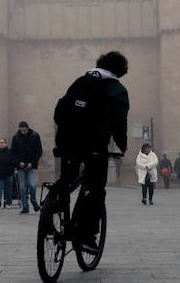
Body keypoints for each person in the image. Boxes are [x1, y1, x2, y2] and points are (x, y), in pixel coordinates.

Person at [54, 51, 130, 253]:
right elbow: (119, 121)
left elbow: (61, 108)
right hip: (93, 146)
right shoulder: (116, 89)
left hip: (66, 141)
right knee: (95, 186)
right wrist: (122, 143)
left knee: (66, 181)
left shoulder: (81, 81)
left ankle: (53, 210)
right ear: (121, 71)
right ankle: (86, 235)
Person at [10, 120, 43, 214]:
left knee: (33, 184)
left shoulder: (35, 136)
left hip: (32, 166)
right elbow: (13, 152)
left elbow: (39, 151)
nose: (23, 132)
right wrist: (18, 162)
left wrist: (32, 162)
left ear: (28, 128)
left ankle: (33, 200)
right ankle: (25, 206)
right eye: (21, 130)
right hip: (21, 167)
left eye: (24, 130)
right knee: (22, 188)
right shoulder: (16, 138)